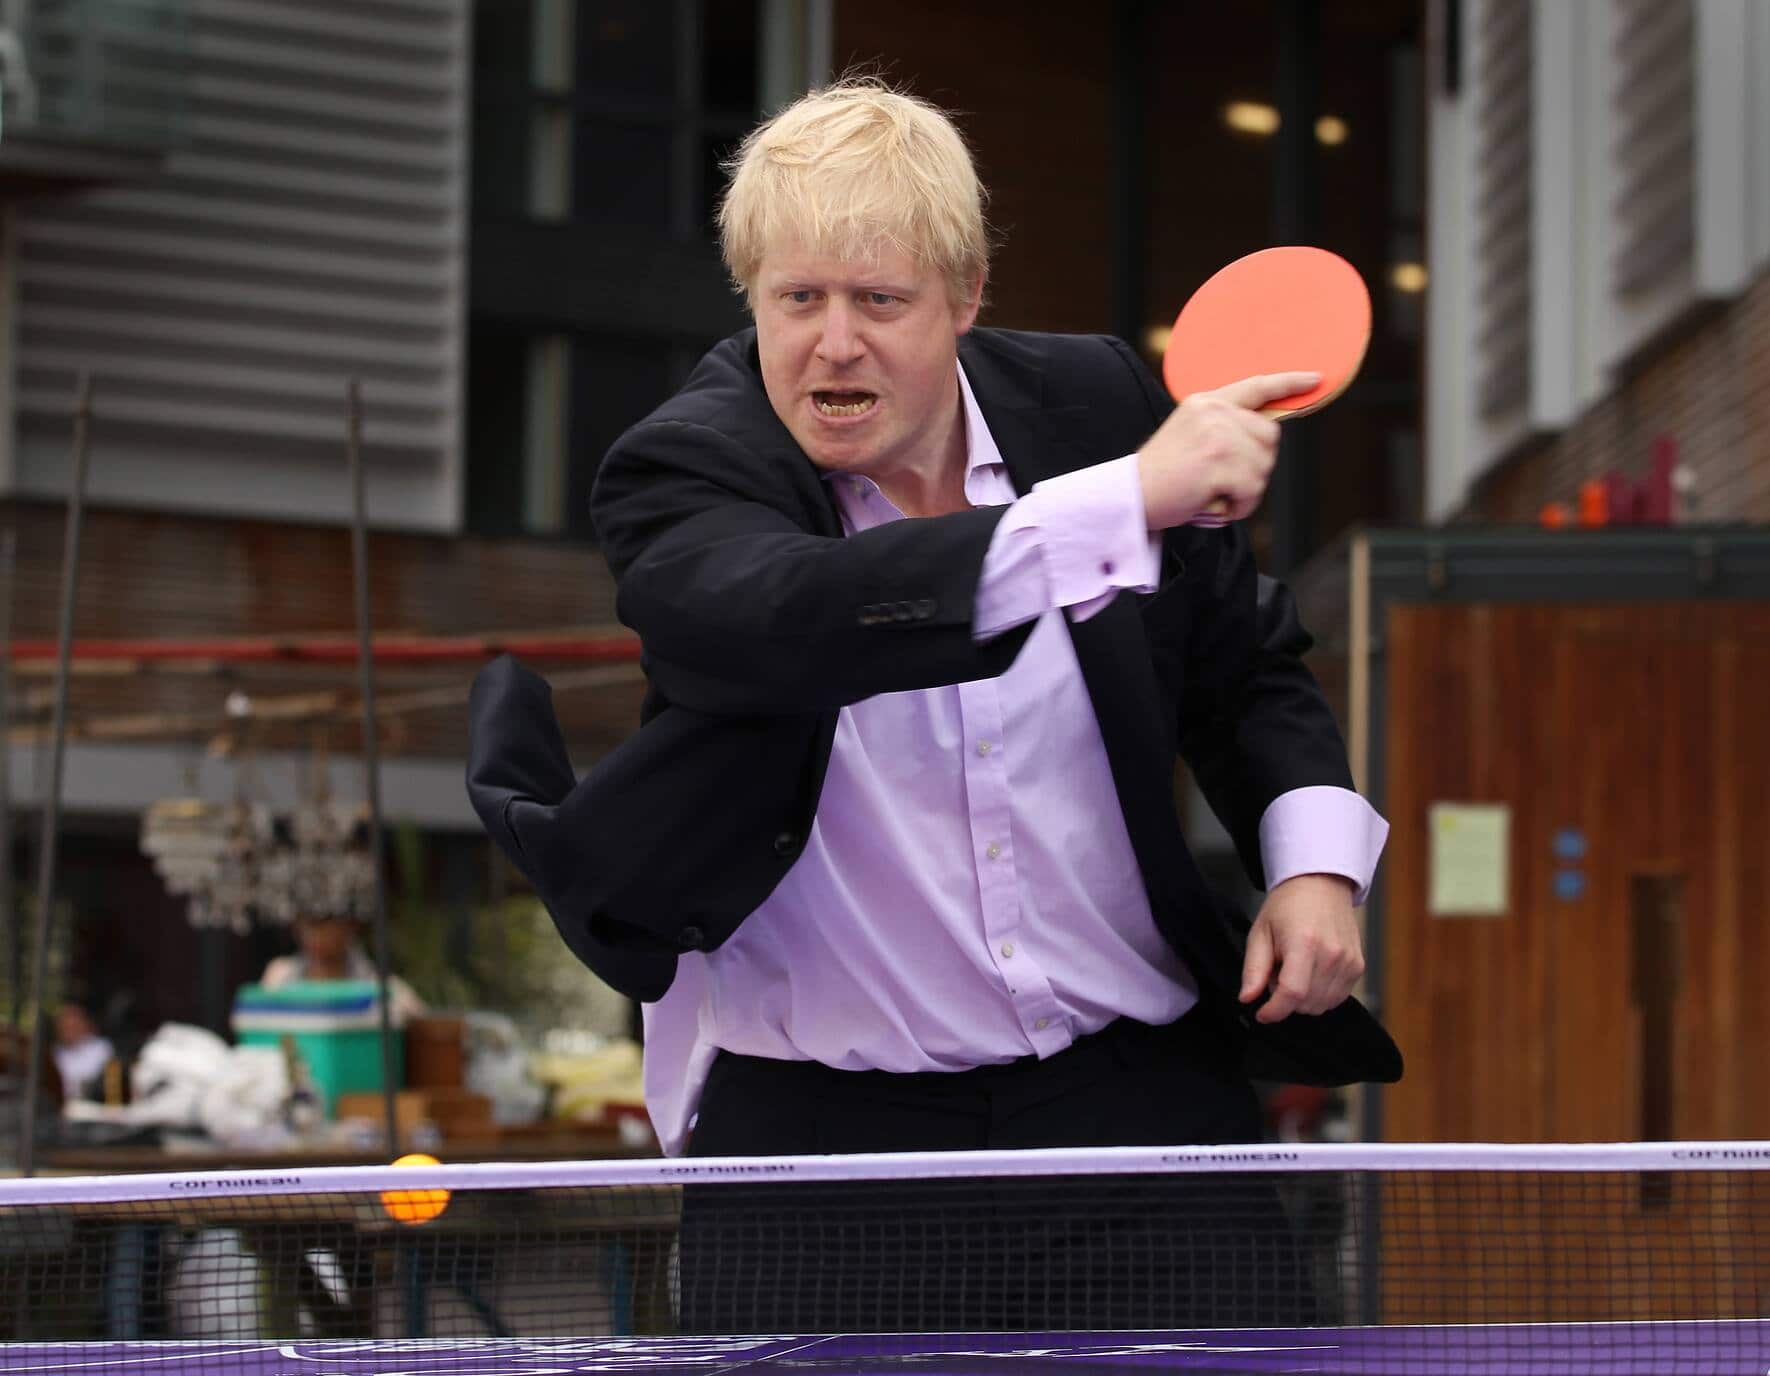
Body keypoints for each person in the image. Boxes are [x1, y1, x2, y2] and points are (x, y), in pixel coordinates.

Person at [468, 78, 1400, 1329]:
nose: (832, 342)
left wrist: (1315, 867)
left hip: (1134, 1117)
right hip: (825, 1156)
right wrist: (1114, 509)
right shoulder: (682, 468)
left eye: (879, 300)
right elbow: (786, 618)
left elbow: (1246, 667)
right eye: (796, 298)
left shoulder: (1099, 407)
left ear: (964, 300)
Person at [260, 914, 426, 1027]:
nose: (312, 931)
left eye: (323, 920)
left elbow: (420, 1022)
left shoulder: (386, 988)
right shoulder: (278, 975)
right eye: (306, 919)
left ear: (350, 925)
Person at [51, 1001, 115, 1103]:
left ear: (85, 1024)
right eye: (65, 1027)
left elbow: (105, 1083)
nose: (70, 1031)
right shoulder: (54, 1053)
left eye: (74, 1026)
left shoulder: (101, 1048)